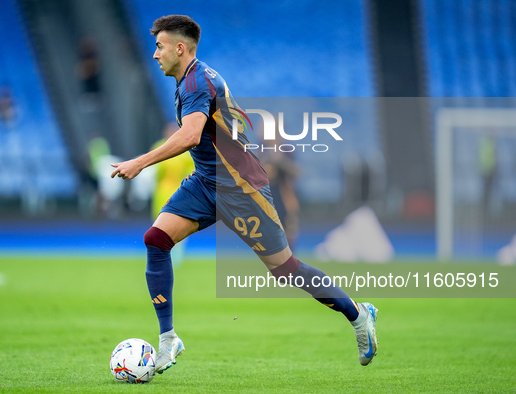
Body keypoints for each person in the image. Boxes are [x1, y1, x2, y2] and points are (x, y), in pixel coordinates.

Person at [110, 15, 379, 374]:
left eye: (159, 46)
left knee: (285, 270)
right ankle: (168, 338)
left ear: (180, 48)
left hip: (241, 188)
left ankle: (359, 315)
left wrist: (141, 162)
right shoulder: (190, 79)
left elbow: (191, 136)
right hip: (207, 182)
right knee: (156, 239)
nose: (155, 54)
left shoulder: (196, 83)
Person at [151, 122, 195, 266]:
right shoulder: (160, 147)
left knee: (179, 223)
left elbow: (193, 170)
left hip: (177, 190)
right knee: (161, 222)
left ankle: (176, 253)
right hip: (163, 191)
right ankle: (164, 251)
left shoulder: (184, 150)